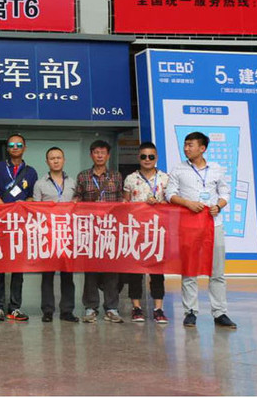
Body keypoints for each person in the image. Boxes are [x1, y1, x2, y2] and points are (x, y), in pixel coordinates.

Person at [166, 132, 237, 330]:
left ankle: (220, 312)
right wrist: (187, 203)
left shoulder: (216, 169)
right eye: (185, 145)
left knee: (217, 271)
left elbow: (225, 192)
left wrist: (219, 205)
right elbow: (169, 194)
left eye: (190, 145)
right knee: (189, 269)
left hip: (214, 224)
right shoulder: (178, 169)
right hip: (189, 224)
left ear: (202, 148)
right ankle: (190, 312)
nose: (186, 148)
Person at [0, 133, 38, 321]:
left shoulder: (31, 172)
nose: (15, 147)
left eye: (19, 145)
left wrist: (23, 205)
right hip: (1, 222)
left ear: (24, 148)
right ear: (7, 148)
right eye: (11, 145)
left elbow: (32, 196)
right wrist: (6, 209)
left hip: (20, 225)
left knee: (18, 267)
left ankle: (15, 307)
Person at [74, 139, 125, 324]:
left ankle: (111, 308)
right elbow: (77, 199)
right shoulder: (83, 176)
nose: (100, 156)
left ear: (108, 155)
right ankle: (90, 308)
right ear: (91, 155)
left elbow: (121, 200)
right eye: (96, 152)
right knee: (91, 270)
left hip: (111, 229)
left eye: (103, 152)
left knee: (112, 269)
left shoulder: (116, 176)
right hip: (90, 229)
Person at [122, 142, 170, 324]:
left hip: (158, 231)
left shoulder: (165, 178)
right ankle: (136, 307)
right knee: (135, 272)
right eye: (143, 156)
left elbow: (172, 202)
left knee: (157, 272)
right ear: (138, 158)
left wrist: (160, 204)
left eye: (151, 156)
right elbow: (125, 204)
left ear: (156, 157)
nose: (147, 159)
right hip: (136, 231)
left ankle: (158, 308)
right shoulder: (130, 179)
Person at [32, 147, 79, 323]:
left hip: (68, 233)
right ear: (47, 162)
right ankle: (47, 311)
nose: (56, 161)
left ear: (64, 160)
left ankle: (67, 310)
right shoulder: (40, 184)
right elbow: (36, 209)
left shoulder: (73, 182)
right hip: (48, 234)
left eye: (59, 157)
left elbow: (78, 206)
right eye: (52, 158)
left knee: (68, 274)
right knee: (47, 275)